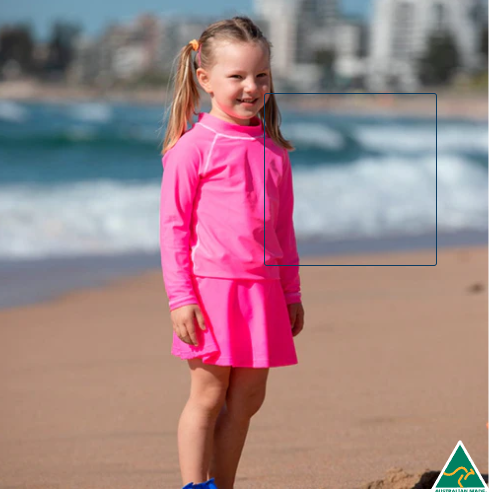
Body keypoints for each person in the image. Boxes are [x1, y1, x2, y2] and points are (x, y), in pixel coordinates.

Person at [159, 15, 305, 490]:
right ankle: (194, 485)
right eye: (237, 76)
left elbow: (282, 229)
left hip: (262, 293)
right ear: (205, 79)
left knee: (247, 400)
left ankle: (223, 484)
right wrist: (181, 298)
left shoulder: (274, 152)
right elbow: (173, 229)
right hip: (210, 292)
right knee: (208, 392)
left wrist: (291, 292)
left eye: (261, 76)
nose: (251, 87)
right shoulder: (192, 148)